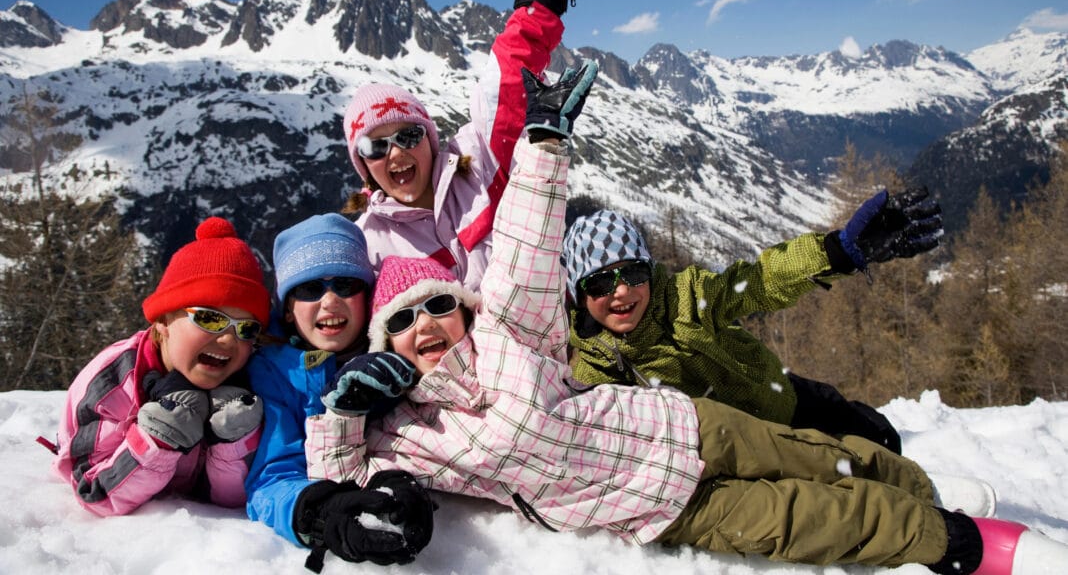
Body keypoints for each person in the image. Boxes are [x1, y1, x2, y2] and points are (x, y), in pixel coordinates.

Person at [303, 65, 1067, 574]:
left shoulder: (512, 335)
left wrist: (541, 144)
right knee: (811, 516)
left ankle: (925, 489)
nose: (430, 322)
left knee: (837, 454)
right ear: (385, 345)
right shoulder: (405, 433)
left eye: (443, 302)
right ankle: (957, 542)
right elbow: (341, 476)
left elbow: (532, 245)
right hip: (664, 506)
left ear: (469, 310)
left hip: (690, 424)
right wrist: (343, 407)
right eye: (406, 320)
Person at [560, 193, 943, 454]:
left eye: (633, 273)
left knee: (881, 435)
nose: (622, 291)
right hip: (756, 451)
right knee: (850, 466)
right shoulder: (595, 373)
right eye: (599, 282)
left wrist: (837, 252)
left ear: (650, 271)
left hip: (785, 396)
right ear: (579, 294)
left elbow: (757, 283)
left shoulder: (688, 296)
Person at [341, 0, 588, 290]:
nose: (396, 152)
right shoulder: (366, 245)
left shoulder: (477, 165)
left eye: (409, 134)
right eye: (375, 146)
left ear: (430, 137)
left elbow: (502, 89)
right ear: (362, 164)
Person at [244, 213, 434, 573]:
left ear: (367, 295)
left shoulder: (402, 347)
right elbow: (270, 480)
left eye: (346, 285)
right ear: (287, 310)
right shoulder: (274, 374)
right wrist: (319, 513)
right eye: (309, 288)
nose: (330, 302)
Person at [53, 217, 269, 517]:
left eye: (246, 328)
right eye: (209, 318)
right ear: (163, 321)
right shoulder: (112, 384)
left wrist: (231, 442)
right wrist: (158, 439)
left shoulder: (252, 384)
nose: (228, 339)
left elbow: (239, 500)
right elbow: (93, 492)